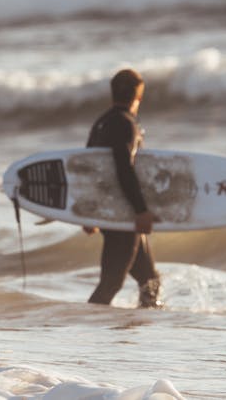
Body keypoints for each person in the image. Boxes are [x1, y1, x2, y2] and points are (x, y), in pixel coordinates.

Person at [83, 69, 162, 308]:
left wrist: (89, 212)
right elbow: (124, 168)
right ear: (138, 96)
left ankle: (144, 324)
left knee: (150, 281)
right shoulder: (126, 124)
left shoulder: (101, 123)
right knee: (111, 283)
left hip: (111, 211)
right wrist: (140, 210)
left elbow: (89, 169)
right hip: (123, 214)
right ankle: (86, 326)